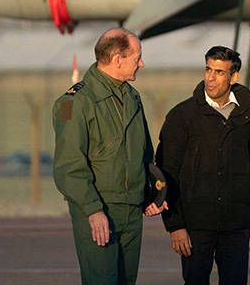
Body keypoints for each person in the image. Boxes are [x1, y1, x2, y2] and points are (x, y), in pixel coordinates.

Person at [53, 28, 167, 285]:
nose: (142, 63)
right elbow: (69, 166)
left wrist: (152, 194)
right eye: (137, 57)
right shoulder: (75, 102)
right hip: (99, 211)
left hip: (131, 211)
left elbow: (144, 155)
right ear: (118, 59)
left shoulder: (132, 97)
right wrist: (93, 211)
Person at [157, 46, 250, 284]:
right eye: (208, 69)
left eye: (219, 72)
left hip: (236, 224)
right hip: (194, 225)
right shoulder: (182, 115)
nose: (210, 77)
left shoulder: (248, 116)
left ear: (233, 77)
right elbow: (166, 171)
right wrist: (175, 225)